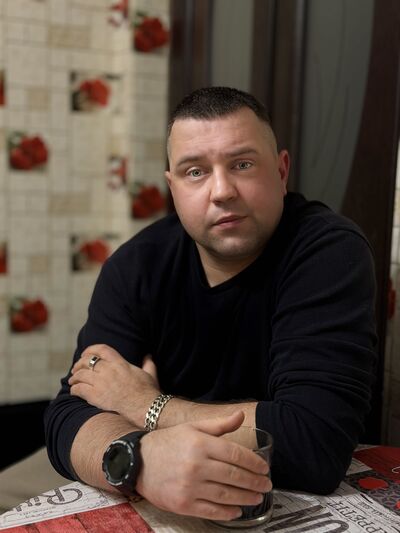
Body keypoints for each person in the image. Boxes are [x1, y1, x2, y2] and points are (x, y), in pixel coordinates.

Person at [44, 86, 377, 522]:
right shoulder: (136, 266)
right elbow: (69, 414)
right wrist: (140, 460)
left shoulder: (328, 252)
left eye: (242, 164)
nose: (222, 191)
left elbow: (314, 442)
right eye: (195, 171)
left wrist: (145, 406)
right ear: (173, 187)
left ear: (281, 171)